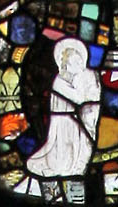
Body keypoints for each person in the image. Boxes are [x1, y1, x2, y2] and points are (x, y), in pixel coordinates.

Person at [26, 37, 101, 181]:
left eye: (81, 61)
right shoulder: (58, 81)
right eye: (76, 61)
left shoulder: (81, 77)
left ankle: (76, 168)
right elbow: (78, 99)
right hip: (63, 121)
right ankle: (66, 169)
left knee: (80, 149)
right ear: (66, 63)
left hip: (76, 120)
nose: (80, 64)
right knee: (64, 152)